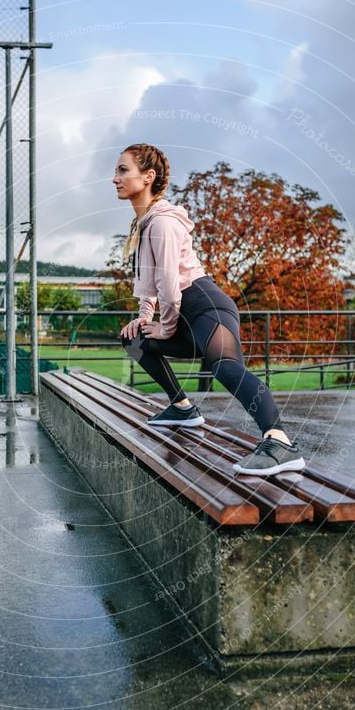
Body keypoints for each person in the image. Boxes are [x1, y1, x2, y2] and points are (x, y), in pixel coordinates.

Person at [114, 143, 305, 476]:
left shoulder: (163, 224)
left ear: (148, 177)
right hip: (186, 315)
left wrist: (166, 327)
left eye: (122, 170)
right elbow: (150, 284)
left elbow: (171, 287)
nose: (114, 178)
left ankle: (280, 441)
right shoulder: (144, 225)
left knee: (226, 368)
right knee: (134, 340)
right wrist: (145, 319)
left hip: (206, 307)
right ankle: (182, 408)